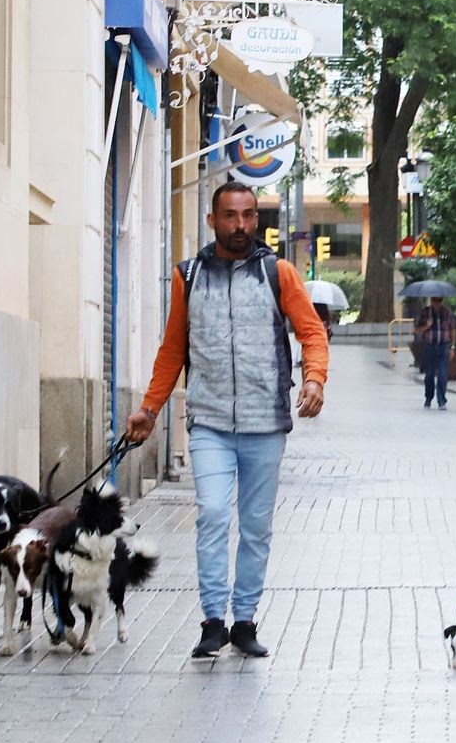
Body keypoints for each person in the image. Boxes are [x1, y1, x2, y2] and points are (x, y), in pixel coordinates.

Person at [125, 181, 329, 659]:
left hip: (266, 422)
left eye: (249, 215)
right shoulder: (189, 275)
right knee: (214, 514)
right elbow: (173, 349)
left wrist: (314, 379)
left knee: (256, 527)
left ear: (257, 220)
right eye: (231, 215)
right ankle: (212, 620)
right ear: (212, 220)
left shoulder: (278, 273)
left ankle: (244, 621)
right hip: (210, 421)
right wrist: (150, 409)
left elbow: (312, 332)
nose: (240, 225)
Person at [415, 295, 456, 410]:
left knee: (443, 374)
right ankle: (428, 398)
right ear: (431, 300)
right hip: (429, 346)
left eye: (440, 300)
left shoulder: (447, 312)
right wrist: (426, 326)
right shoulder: (425, 312)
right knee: (429, 375)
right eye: (435, 300)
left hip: (444, 346)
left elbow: (452, 329)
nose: (437, 303)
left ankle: (441, 400)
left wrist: (452, 347)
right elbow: (416, 329)